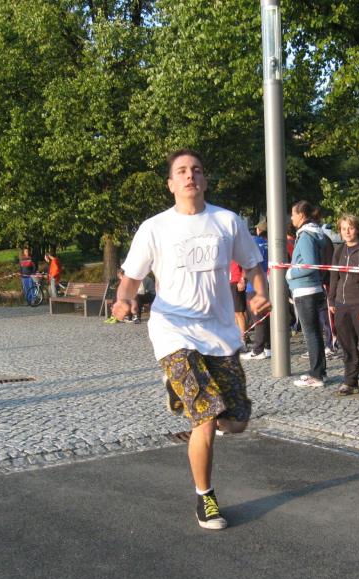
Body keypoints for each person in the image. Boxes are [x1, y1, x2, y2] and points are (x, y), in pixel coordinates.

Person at [113, 149, 269, 530]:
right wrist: (123, 300)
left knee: (236, 422)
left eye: (196, 170)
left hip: (218, 334)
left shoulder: (227, 221)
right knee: (206, 415)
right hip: (173, 331)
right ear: (171, 184)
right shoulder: (155, 228)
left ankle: (185, 392)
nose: (189, 176)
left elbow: (253, 265)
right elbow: (131, 278)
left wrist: (259, 293)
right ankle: (206, 498)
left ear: (205, 180)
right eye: (181, 171)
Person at [328, 214, 359, 396]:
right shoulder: (339, 250)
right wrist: (331, 299)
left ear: (357, 229)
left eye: (350, 228)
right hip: (342, 304)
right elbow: (334, 275)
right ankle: (350, 381)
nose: (347, 232)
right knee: (347, 345)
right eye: (343, 228)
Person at [287, 200, 331, 388]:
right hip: (313, 288)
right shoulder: (315, 234)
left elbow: (310, 264)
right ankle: (319, 371)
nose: (291, 218)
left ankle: (317, 375)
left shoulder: (305, 236)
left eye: (293, 214)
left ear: (301, 215)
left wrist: (291, 273)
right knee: (314, 333)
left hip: (306, 290)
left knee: (311, 334)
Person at [241, 218, 271, 360]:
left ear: (259, 229)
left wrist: (243, 278)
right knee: (266, 317)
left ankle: (258, 349)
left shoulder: (254, 242)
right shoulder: (271, 244)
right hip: (270, 282)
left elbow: (249, 263)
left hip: (254, 284)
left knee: (257, 318)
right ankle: (268, 347)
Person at [229, 260, 247, 336]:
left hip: (237, 282)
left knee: (239, 312)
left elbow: (245, 265)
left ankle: (243, 338)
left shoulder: (237, 254)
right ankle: (237, 336)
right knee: (234, 313)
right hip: (229, 282)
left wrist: (242, 280)